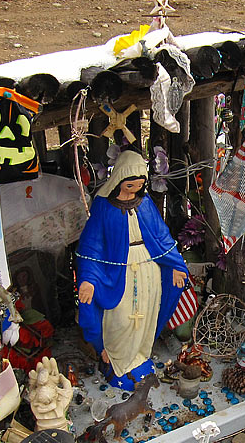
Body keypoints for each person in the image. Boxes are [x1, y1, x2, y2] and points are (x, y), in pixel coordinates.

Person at [76, 150, 188, 390]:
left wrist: (176, 265)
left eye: (139, 185)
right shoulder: (104, 208)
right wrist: (87, 279)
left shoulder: (145, 203)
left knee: (146, 315)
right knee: (120, 317)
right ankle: (117, 362)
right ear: (118, 181)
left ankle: (140, 356)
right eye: (129, 185)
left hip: (149, 269)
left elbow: (162, 237)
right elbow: (91, 246)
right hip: (117, 274)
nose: (134, 190)